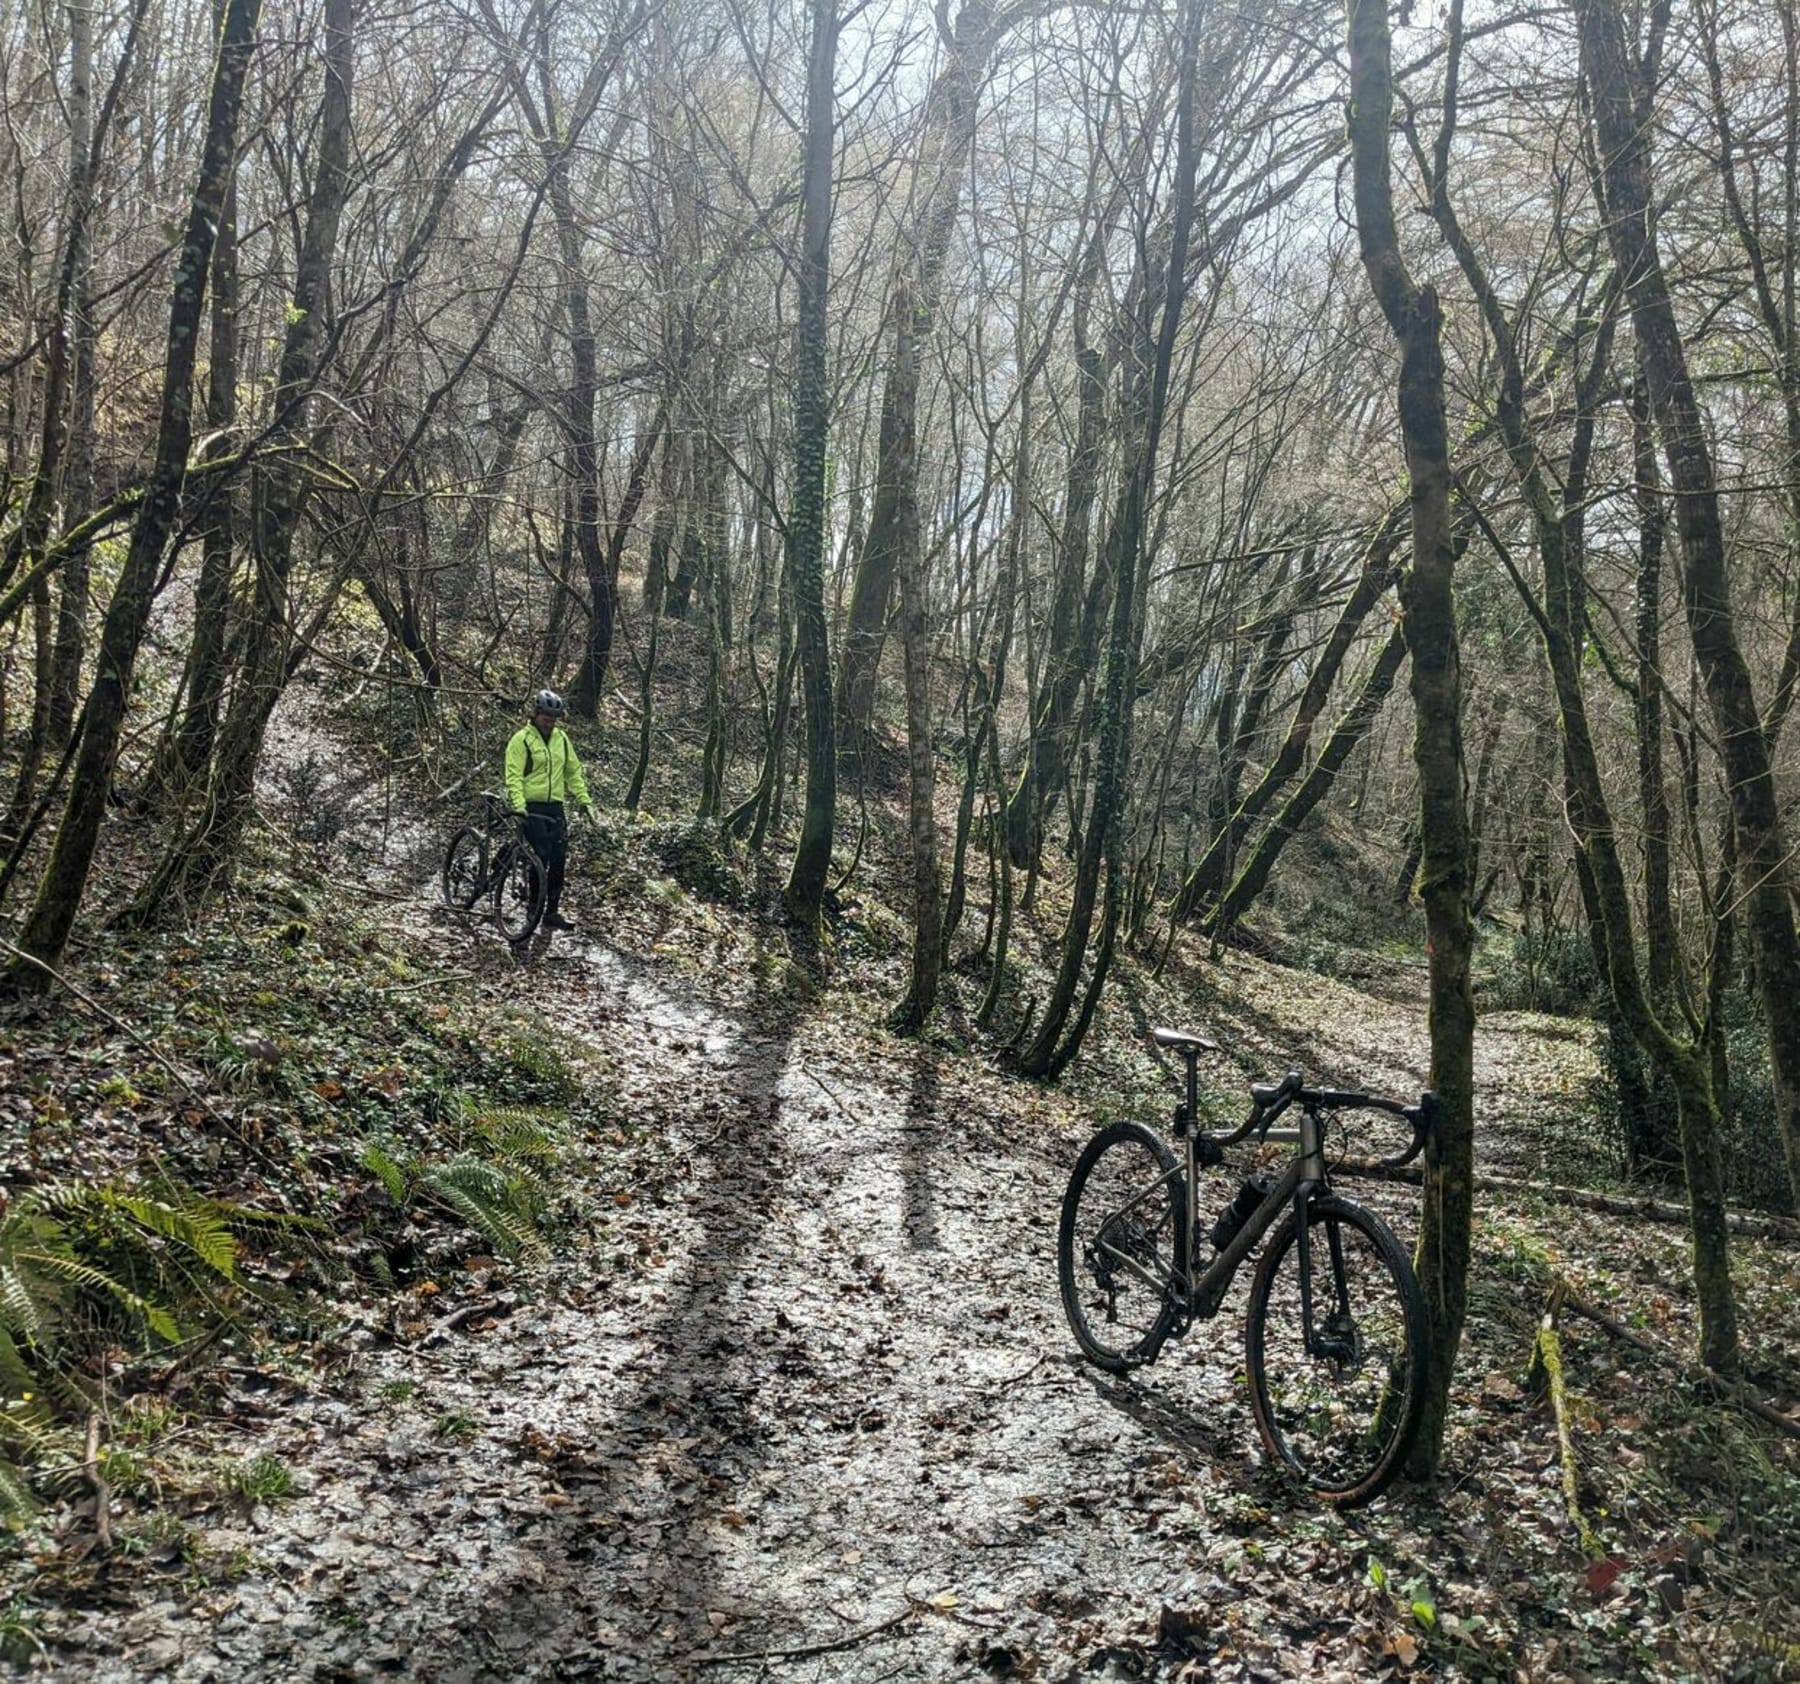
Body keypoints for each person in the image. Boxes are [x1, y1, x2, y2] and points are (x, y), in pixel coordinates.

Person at [504, 689, 594, 932]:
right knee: (540, 854)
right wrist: (519, 806)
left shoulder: (561, 740)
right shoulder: (521, 740)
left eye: (554, 719)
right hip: (531, 805)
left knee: (559, 858)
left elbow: (573, 772)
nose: (550, 722)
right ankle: (534, 907)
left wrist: (584, 800)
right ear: (536, 714)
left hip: (555, 806)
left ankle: (552, 911)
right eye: (546, 717)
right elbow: (513, 776)